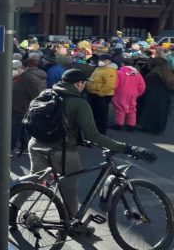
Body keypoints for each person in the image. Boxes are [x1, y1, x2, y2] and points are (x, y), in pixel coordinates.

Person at [28, 69, 157, 222]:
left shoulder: (47, 94)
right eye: (84, 83)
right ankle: (71, 223)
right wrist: (128, 148)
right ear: (78, 83)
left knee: (33, 182)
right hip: (62, 151)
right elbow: (93, 135)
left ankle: (12, 208)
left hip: (36, 144)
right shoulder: (79, 103)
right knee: (68, 189)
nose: (84, 86)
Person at [137, 57, 174, 134]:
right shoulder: (168, 73)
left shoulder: (154, 74)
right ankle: (158, 128)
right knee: (161, 113)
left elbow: (147, 87)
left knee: (150, 111)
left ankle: (149, 127)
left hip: (153, 96)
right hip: (164, 97)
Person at [85, 54, 118, 135]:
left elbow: (110, 85)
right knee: (95, 114)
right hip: (94, 94)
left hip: (102, 96)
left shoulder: (109, 70)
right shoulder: (99, 68)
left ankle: (100, 133)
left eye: (102, 60)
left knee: (101, 116)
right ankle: (95, 132)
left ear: (108, 61)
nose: (100, 61)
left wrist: (100, 93)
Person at [110, 64, 146, 131]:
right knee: (132, 109)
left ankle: (119, 124)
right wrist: (138, 94)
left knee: (120, 108)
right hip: (133, 94)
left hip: (121, 93)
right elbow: (142, 86)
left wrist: (113, 92)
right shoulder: (137, 74)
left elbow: (115, 84)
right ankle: (131, 125)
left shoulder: (119, 73)